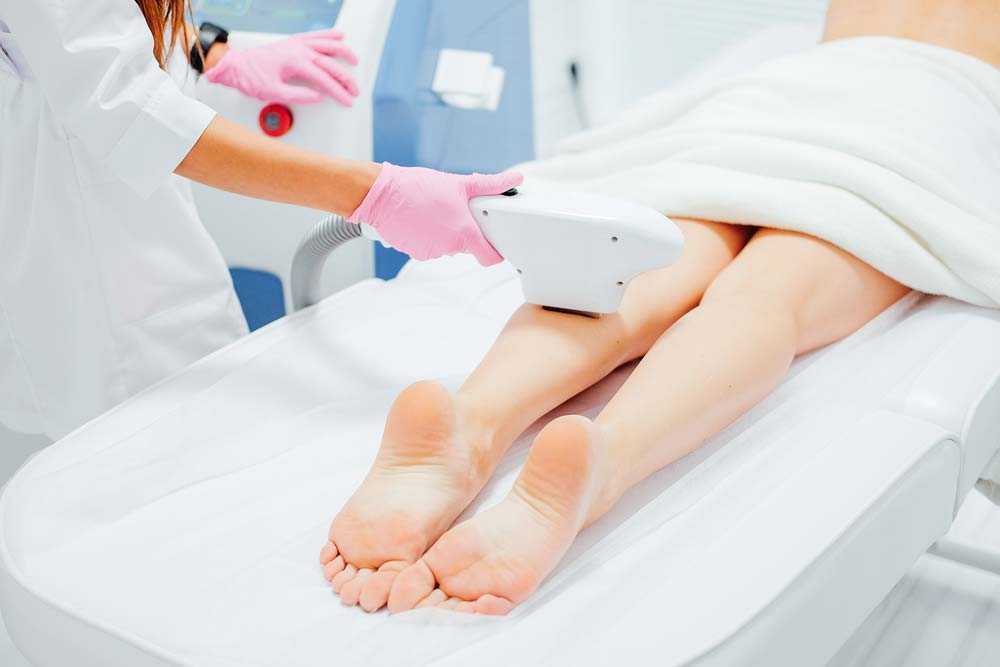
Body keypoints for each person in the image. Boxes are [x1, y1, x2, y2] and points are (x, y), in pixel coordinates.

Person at [318, 0, 1000, 614]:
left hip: (781, 100)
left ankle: (472, 421)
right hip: (935, 114)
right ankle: (604, 460)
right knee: (766, 296)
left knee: (641, 264)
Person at [0, 0, 521, 440]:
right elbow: (126, 107)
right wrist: (375, 194)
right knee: (151, 451)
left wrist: (210, 50)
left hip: (126, 248)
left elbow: (102, 32)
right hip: (90, 280)